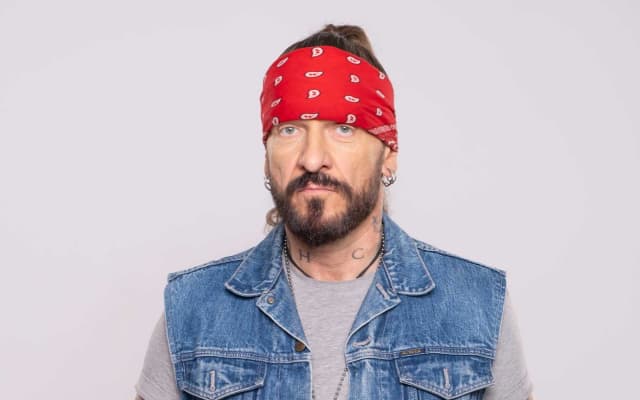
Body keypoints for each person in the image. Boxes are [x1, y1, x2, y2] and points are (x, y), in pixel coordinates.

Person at [135, 24, 534, 400]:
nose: (312, 159)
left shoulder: (476, 305)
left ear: (388, 155)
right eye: (289, 129)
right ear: (267, 157)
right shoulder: (193, 309)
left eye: (343, 128)